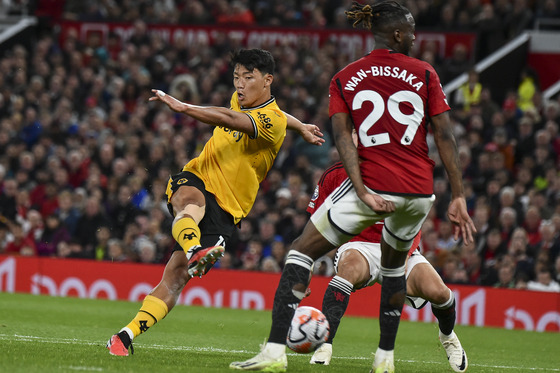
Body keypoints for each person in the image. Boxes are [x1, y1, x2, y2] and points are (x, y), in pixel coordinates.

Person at [230, 3, 475, 373]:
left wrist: (360, 188)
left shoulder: (346, 76)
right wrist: (458, 195)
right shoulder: (425, 72)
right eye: (409, 30)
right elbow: (445, 135)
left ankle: (274, 352)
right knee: (391, 271)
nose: (413, 36)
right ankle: (383, 360)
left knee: (300, 252)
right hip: (419, 193)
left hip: (376, 185)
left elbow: (343, 137)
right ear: (395, 34)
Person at [106, 48, 324, 356]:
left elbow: (232, 117)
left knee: (177, 276)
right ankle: (196, 249)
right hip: (198, 177)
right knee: (190, 204)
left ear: (267, 80)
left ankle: (125, 336)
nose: (239, 84)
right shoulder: (250, 101)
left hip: (229, 208)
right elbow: (265, 113)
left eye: (248, 78)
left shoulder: (268, 121)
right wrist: (300, 124)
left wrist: (184, 108)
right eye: (236, 77)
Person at [305, 161, 467, 372]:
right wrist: (307, 265)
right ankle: (324, 344)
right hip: (359, 244)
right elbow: (315, 224)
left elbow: (414, 219)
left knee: (440, 294)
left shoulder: (406, 169)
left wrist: (401, 256)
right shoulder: (336, 174)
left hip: (400, 245)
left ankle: (447, 337)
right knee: (348, 271)